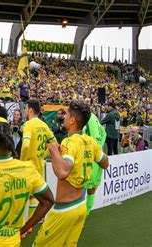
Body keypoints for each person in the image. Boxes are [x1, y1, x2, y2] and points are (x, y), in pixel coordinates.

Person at [34, 101, 109, 247]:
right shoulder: (89, 141)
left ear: (73, 120)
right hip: (81, 205)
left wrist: (54, 150)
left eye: (67, 114)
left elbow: (62, 172)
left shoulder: (68, 142)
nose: (64, 117)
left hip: (64, 210)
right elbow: (105, 163)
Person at [20, 99, 56, 220]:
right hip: (39, 165)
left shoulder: (29, 124)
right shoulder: (44, 125)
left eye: (25, 108)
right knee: (34, 196)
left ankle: (20, 226)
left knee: (23, 195)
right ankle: (30, 225)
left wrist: (22, 160)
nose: (25, 111)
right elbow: (55, 143)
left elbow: (25, 145)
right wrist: (43, 155)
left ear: (30, 110)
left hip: (28, 166)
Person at [83, 112, 107, 216]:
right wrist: (100, 146)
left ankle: (80, 219)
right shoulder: (95, 117)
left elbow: (83, 134)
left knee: (81, 189)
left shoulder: (86, 118)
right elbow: (104, 133)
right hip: (99, 156)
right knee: (91, 191)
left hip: (90, 159)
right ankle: (85, 215)